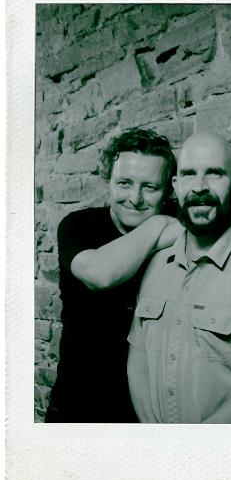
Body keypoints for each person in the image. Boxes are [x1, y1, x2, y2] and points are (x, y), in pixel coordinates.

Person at [127, 132, 231, 423]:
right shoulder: (156, 264)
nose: (199, 187)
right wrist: (155, 437)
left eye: (214, 173)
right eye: (188, 174)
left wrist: (192, 445)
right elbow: (138, 365)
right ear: (176, 185)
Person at [45, 128, 181, 423]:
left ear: (169, 191)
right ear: (108, 182)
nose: (135, 198)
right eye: (124, 183)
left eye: (149, 187)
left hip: (145, 415)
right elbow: (99, 273)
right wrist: (157, 224)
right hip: (77, 409)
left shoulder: (179, 223)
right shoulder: (78, 225)